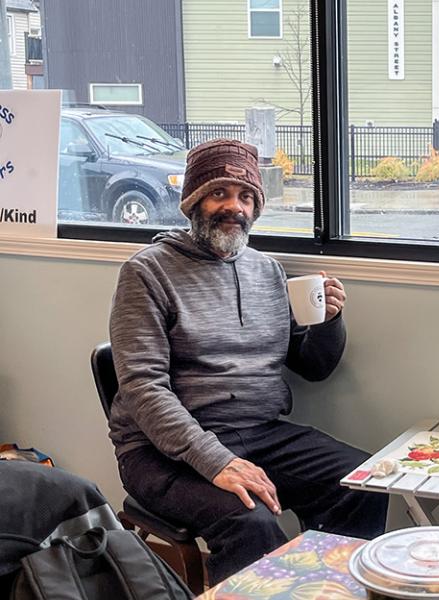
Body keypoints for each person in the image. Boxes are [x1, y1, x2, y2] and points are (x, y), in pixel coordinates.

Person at [107, 138, 387, 584]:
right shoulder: (146, 272)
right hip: (163, 452)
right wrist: (216, 461)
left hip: (261, 433)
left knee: (362, 484)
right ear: (194, 202)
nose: (233, 206)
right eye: (220, 193)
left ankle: (326, 590)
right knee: (250, 524)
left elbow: (314, 367)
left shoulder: (268, 271)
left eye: (246, 196)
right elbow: (143, 389)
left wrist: (330, 321)